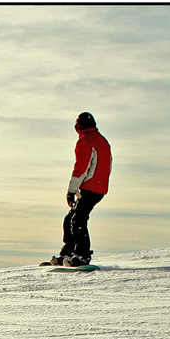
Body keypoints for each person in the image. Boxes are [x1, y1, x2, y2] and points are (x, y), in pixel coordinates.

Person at [44, 111, 112, 267]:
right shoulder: (102, 140)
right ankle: (69, 253)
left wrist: (71, 190)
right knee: (71, 218)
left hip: (91, 187)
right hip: (99, 187)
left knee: (77, 219)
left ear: (80, 126)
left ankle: (82, 255)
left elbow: (81, 168)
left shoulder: (86, 141)